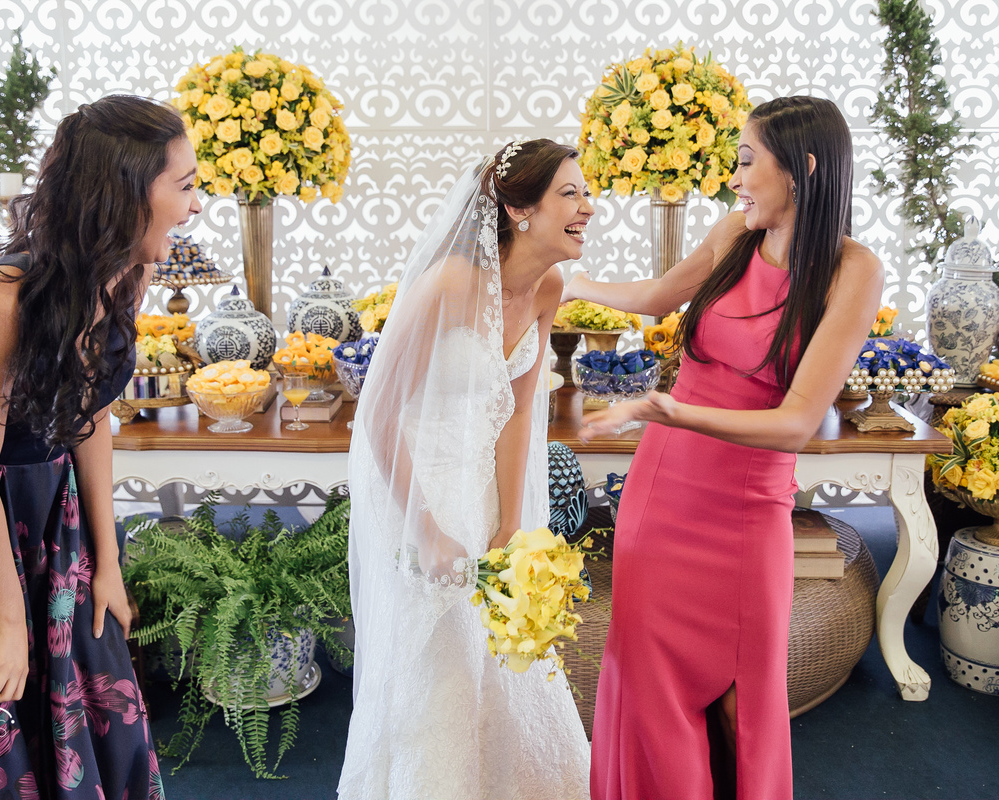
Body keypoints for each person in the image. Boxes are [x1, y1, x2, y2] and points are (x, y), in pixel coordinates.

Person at [0, 94, 202, 799]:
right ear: (124, 192)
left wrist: (108, 561)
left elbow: (93, 417)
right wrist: (12, 621)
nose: (195, 205)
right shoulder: (5, 296)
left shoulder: (129, 271)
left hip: (53, 505)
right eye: (185, 185)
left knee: (93, 681)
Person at [563, 96, 883, 799]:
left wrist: (671, 410)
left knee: (745, 702)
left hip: (746, 508)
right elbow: (658, 297)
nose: (733, 180)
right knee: (647, 679)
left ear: (801, 168)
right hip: (663, 491)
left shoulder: (852, 270)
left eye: (745, 162)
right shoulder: (736, 231)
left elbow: (797, 424)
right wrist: (570, 283)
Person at [337, 139, 592, 800]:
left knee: (506, 662)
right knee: (442, 665)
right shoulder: (449, 283)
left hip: (489, 491)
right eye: (570, 194)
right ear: (518, 210)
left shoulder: (549, 285)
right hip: (420, 488)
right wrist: (426, 529)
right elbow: (379, 413)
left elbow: (517, 409)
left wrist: (512, 524)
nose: (588, 208)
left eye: (585, 193)